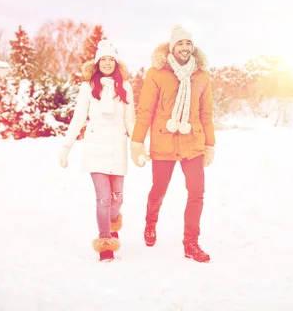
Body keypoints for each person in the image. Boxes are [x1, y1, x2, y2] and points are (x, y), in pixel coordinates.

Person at [130, 24, 216, 263]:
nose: (185, 47)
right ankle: (150, 222)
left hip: (193, 141)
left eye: (188, 43)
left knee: (197, 192)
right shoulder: (157, 73)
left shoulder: (201, 76)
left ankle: (191, 244)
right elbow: (145, 110)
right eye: (180, 43)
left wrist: (210, 145)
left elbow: (207, 114)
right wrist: (137, 143)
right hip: (163, 141)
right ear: (172, 47)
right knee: (158, 190)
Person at [59, 40, 135, 262]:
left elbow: (130, 118)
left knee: (117, 198)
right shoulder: (88, 87)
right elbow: (78, 118)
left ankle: (110, 225)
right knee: (103, 197)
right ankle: (105, 243)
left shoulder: (126, 87)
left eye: (111, 59)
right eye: (104, 59)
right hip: (95, 147)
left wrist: (138, 145)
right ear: (97, 62)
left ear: (116, 62)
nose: (108, 63)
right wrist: (66, 147)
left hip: (118, 146)